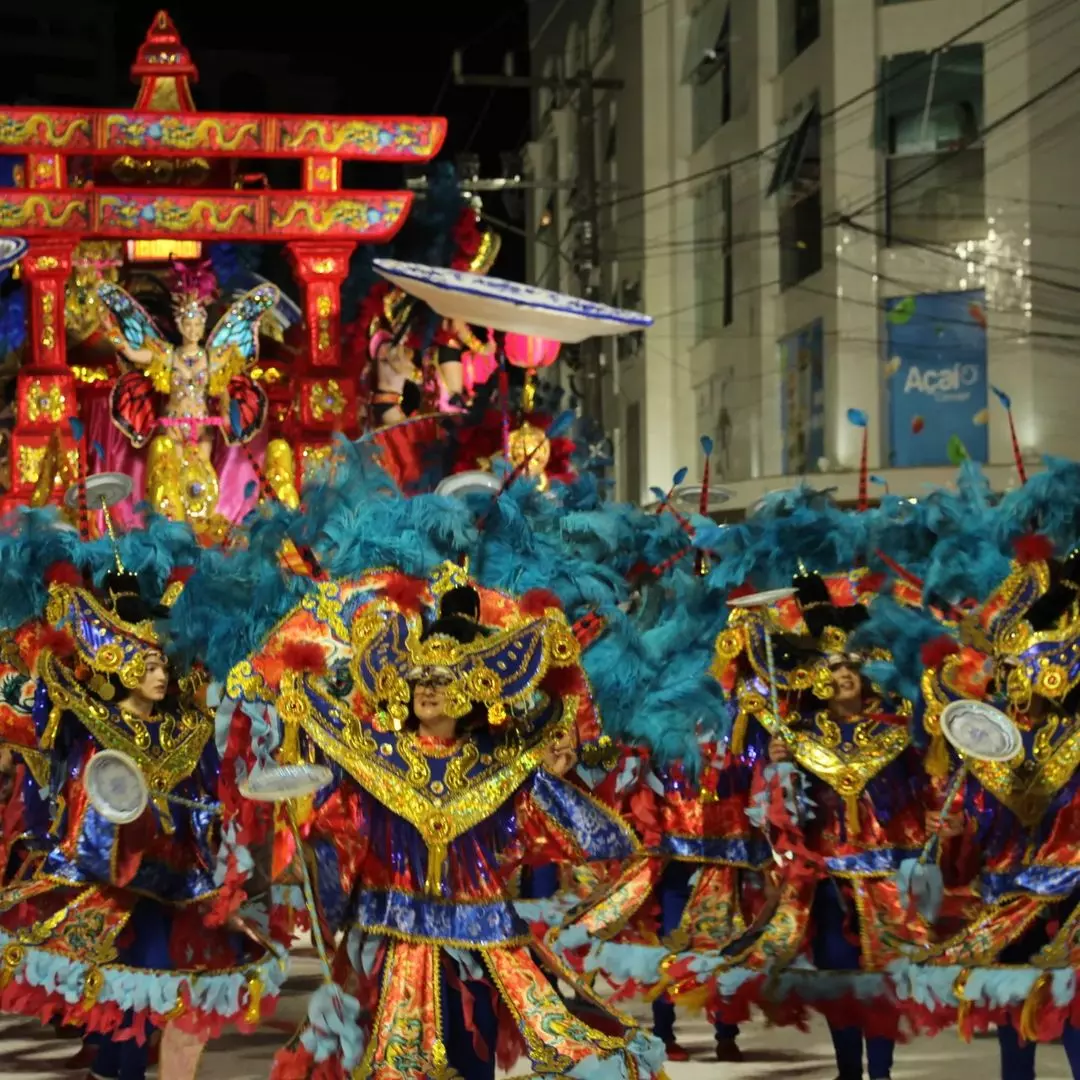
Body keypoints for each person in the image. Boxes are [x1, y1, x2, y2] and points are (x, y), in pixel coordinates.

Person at [226, 571, 665, 1080]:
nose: (426, 689)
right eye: (419, 679)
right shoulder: (378, 756)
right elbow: (341, 825)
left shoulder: (497, 762)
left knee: (475, 1060)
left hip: (483, 943)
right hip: (393, 942)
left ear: (471, 690)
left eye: (440, 679)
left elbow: (562, 828)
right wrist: (311, 839)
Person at [0, 566, 280, 1080]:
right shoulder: (92, 727)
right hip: (111, 889)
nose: (161, 674)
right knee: (120, 1007)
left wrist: (218, 884)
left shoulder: (188, 730)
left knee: (170, 1000)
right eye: (150, 663)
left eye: (163, 664)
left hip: (175, 889)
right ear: (123, 664)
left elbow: (201, 820)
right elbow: (85, 813)